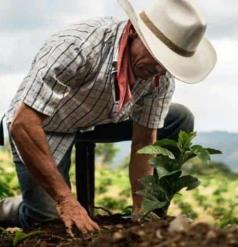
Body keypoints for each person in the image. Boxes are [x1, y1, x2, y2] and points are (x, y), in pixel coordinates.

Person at [0, 0, 217, 236]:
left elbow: (144, 141)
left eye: (168, 63)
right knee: (47, 222)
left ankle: (153, 213)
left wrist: (141, 212)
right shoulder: (77, 46)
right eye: (157, 56)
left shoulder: (159, 75)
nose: (160, 69)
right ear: (134, 32)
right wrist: (66, 200)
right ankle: (10, 208)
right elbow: (23, 124)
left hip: (100, 119)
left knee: (179, 118)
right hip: (45, 125)